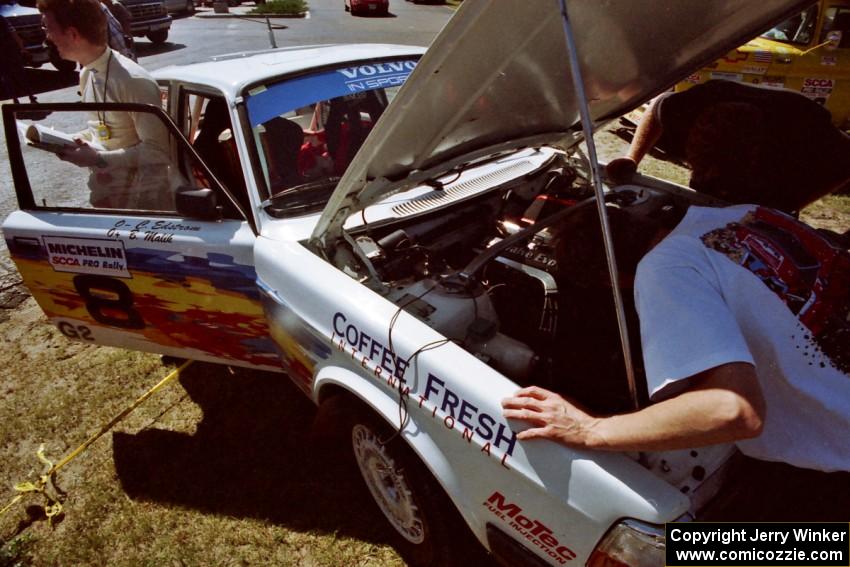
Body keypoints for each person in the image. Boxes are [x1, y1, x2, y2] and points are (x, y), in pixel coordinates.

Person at [502, 200, 850, 520]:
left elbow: (733, 411)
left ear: (611, 280)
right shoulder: (740, 213)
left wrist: (591, 429)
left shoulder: (663, 268)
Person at [606, 80, 850, 215]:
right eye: (700, 166)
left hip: (772, 182)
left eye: (715, 170)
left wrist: (792, 204)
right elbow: (657, 108)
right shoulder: (691, 105)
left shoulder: (803, 128)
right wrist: (632, 158)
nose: (705, 173)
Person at [38, 0, 171, 210]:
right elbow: (107, 131)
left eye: (49, 29)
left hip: (143, 204)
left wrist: (99, 158)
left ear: (72, 34)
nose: (47, 37)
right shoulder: (86, 73)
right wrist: (76, 141)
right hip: (107, 196)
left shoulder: (133, 81)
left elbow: (159, 151)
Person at [0, 15, 38, 104]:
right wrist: (23, 48)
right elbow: (14, 33)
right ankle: (30, 96)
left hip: (5, 51)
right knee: (20, 73)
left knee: (7, 76)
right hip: (11, 49)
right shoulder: (2, 19)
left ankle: (15, 98)